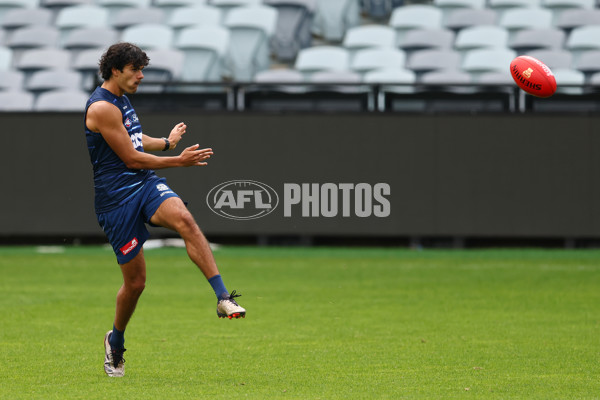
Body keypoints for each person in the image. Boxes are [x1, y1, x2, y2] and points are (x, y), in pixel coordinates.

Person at [84, 42, 246, 378]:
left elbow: (134, 139)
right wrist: (179, 160)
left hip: (143, 185)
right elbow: (130, 156)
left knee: (185, 220)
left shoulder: (121, 100)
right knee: (137, 283)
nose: (141, 76)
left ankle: (222, 297)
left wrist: (169, 142)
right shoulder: (101, 108)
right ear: (116, 70)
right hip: (116, 203)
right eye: (135, 70)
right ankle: (115, 340)